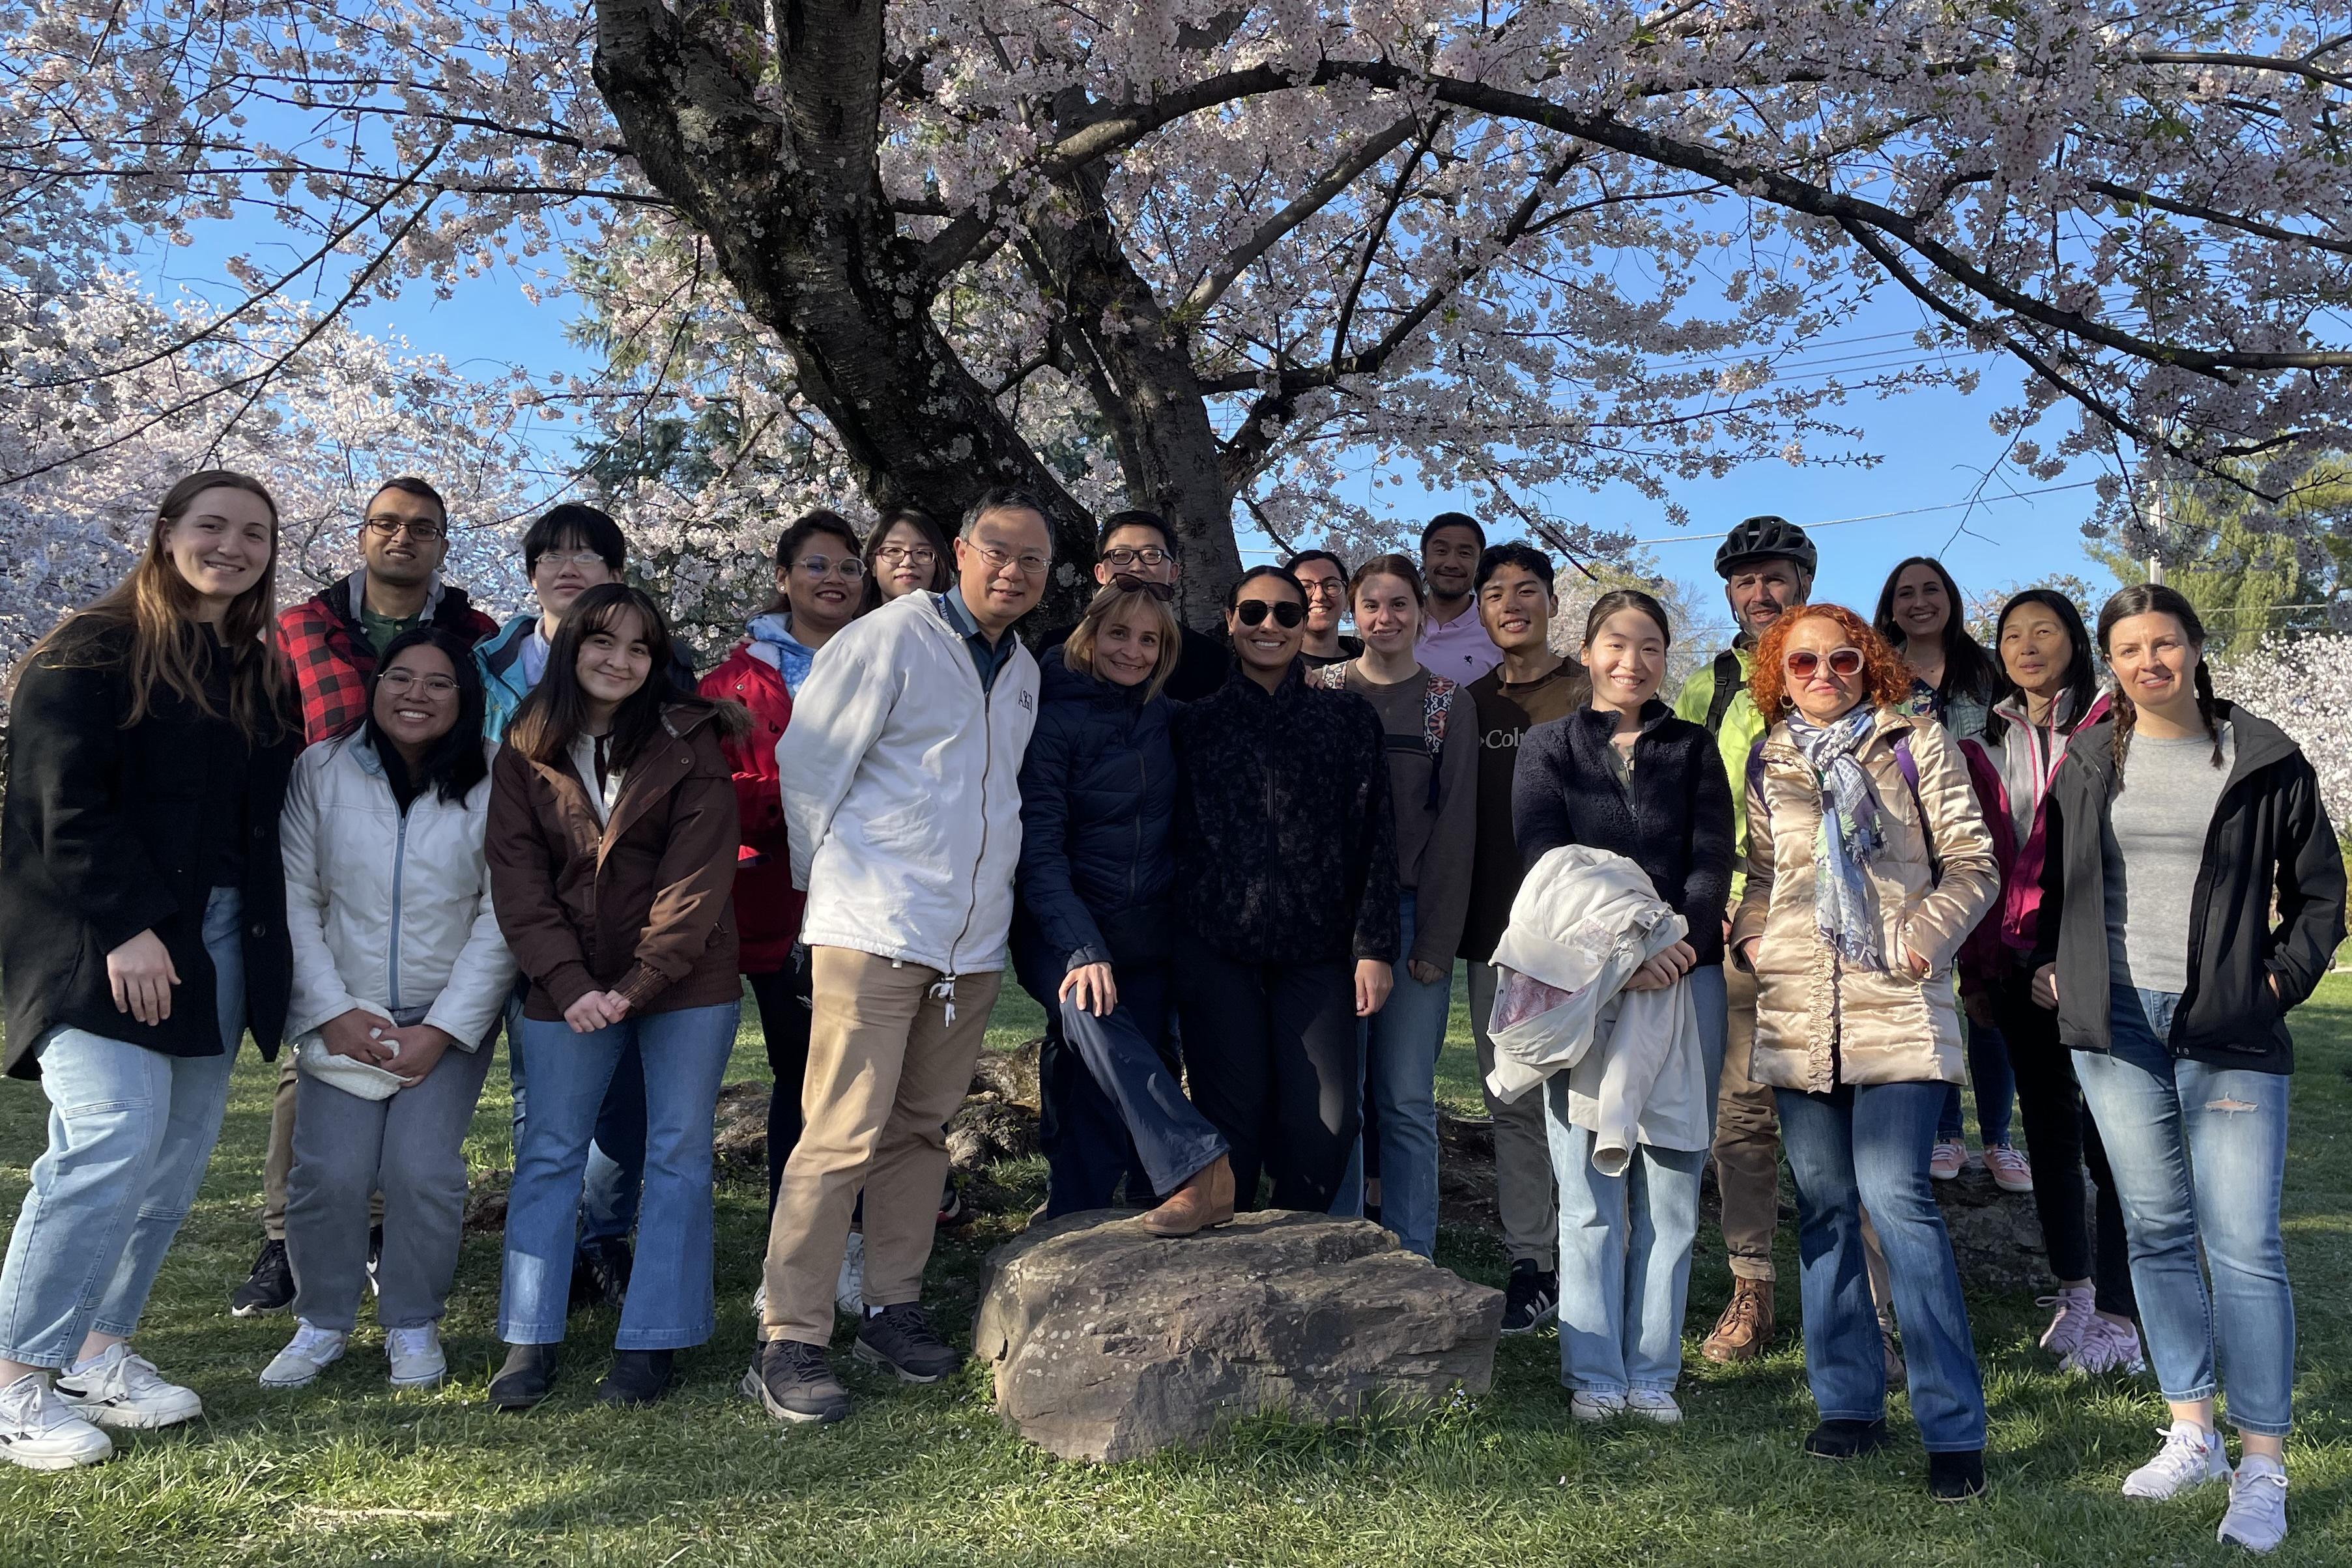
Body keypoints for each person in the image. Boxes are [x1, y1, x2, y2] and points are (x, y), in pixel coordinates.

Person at [2031, 584, 2344, 1554]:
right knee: (2158, 1233)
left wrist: (2274, 980)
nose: (2147, 660)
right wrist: (2058, 965)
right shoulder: (2088, 756)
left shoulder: (2261, 757)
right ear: (2111, 661)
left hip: (2228, 1025)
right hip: (2115, 1022)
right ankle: (2190, 1431)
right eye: (2127, 647)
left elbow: (2322, 891)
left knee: (2243, 1241)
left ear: (2194, 648)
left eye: (2163, 642)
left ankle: (2261, 1464)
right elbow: (2064, 877)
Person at [0, 471, 298, 1470]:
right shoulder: (91, 647)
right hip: (100, 938)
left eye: (254, 532)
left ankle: (96, 1348)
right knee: (107, 1140)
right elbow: (59, 800)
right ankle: (12, 1375)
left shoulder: (251, 669)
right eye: (212, 525)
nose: (233, 546)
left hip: (215, 942)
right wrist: (132, 927)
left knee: (169, 1162)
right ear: (165, 530)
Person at [751, 488, 1050, 1427]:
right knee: (837, 1130)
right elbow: (808, 766)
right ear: (958, 551)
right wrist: (830, 891)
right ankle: (791, 1335)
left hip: (968, 948)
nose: (1012, 569)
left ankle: (892, 1303)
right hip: (872, 928)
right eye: (996, 549)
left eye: (1032, 559)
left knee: (920, 1131)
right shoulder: (889, 637)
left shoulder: (1023, 668)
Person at [1730, 603, 1998, 1500]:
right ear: (1778, 670)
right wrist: (1750, 937)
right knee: (1824, 1206)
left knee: (1896, 1195)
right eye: (1800, 661)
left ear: (1868, 663)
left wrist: (1918, 938)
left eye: (1841, 657)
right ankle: (1846, 1402)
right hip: (1800, 1008)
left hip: (1895, 1006)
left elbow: (1973, 862)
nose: (1821, 674)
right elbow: (1762, 875)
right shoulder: (1768, 760)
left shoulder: (1914, 742)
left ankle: (1951, 1423)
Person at [237, 475, 498, 1319]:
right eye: (386, 523)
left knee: (419, 1149)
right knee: (314, 1123)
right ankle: (290, 1248)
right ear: (361, 535)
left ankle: (391, 1256)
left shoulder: (474, 636)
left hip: (435, 880)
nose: (402, 539)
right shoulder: (302, 629)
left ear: (441, 543)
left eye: (421, 527)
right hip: (327, 863)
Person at [484, 584, 745, 1411]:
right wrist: (570, 985)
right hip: (566, 983)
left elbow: (695, 882)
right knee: (550, 1152)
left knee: (676, 1153)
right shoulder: (524, 747)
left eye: (639, 648)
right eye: (603, 642)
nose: (620, 661)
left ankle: (652, 1339)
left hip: (684, 980)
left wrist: (634, 986)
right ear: (571, 647)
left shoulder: (690, 738)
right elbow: (519, 883)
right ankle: (529, 1337)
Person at [261, 628, 515, 1393]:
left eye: (439, 683)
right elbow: (297, 896)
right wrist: (331, 1011)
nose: (416, 694)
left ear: (465, 699)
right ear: (374, 687)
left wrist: (441, 1029)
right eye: (400, 677)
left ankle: (411, 1322)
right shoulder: (322, 769)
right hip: (346, 1005)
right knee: (329, 1171)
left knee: (421, 1169)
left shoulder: (497, 777)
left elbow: (500, 912)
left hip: (445, 1012)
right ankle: (324, 1321)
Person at [1510, 589, 1733, 1424]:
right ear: (1588, 647)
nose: (1630, 661)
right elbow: (1547, 861)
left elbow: (1712, 856)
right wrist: (1624, 954)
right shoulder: (1547, 747)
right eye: (1615, 643)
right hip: (1588, 982)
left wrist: (1676, 943)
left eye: (1648, 646)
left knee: (1671, 1184)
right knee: (1588, 1180)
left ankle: (1654, 1371)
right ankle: (1594, 1371)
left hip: (1685, 978)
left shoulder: (1694, 747)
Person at [476, 503, 682, 1313]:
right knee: (541, 1083)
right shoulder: (487, 663)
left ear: (615, 575)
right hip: (506, 898)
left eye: (588, 555)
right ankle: (551, 1242)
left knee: (622, 1088)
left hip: (621, 914)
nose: (568, 567)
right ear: (530, 573)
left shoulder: (655, 671)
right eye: (552, 555)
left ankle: (605, 1235)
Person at [1170, 567, 1399, 1223]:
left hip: (1318, 949)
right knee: (1231, 1114)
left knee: (1327, 1119)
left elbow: (1374, 838)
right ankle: (1228, 1253)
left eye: (1285, 614)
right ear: (1229, 620)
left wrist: (1374, 947)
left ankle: (1294, 1243)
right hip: (1217, 947)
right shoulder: (1195, 724)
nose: (1268, 625)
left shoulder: (1347, 720)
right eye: (1252, 612)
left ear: (1306, 624)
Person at [1956, 590, 2141, 1373]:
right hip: (2017, 963)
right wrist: (1986, 967)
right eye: (2011, 635)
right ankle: (2074, 1288)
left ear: (2075, 641)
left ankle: (2122, 1315)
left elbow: (2118, 861)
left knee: (2114, 1146)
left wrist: (2076, 955)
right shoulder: (1986, 741)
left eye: (2045, 632)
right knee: (2052, 1137)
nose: (2027, 646)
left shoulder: (2116, 730)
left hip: (2096, 961)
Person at [1014, 578, 1233, 1231]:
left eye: (1148, 640)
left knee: (1100, 1080)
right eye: (1118, 633)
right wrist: (1082, 950)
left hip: (1143, 927)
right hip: (1060, 927)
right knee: (1092, 1014)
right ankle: (1200, 1163)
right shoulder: (1050, 718)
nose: (1132, 652)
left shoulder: (1164, 717)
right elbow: (1040, 851)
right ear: (1089, 633)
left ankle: (1075, 1212)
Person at [1671, 513, 1814, 1363]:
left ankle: (1868, 1304)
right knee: (1740, 1114)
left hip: (1834, 926)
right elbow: (1684, 803)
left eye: (1774, 576)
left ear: (1804, 577)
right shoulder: (1707, 685)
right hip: (1735, 922)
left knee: (1841, 1111)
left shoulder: (1852, 666)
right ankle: (1750, 1289)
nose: (1759, 593)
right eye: (1743, 579)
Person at [699, 509, 865, 1212]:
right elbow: (714, 793)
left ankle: (863, 1236)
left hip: (873, 902)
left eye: (849, 566)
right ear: (781, 578)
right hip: (777, 906)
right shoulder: (733, 685)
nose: (834, 579)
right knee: (800, 1072)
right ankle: (793, 1237)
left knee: (860, 1078)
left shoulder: (890, 657)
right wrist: (796, 796)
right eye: (817, 565)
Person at [1312, 555, 1474, 1261]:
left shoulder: (1445, 702)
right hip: (1326, 927)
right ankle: (1337, 1244)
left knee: (1404, 1099)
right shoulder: (1318, 690)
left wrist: (1434, 943)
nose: (1385, 617)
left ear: (1418, 612)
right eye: (1371, 604)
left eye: (1399, 604)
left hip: (1411, 921)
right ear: (1353, 613)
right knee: (1335, 1101)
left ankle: (1414, 1255)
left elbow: (1455, 832)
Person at [1460, 542, 1588, 1333]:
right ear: (1479, 610)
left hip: (1578, 935)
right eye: (1496, 593)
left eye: (1528, 590)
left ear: (1549, 601)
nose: (1513, 604)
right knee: (1509, 1097)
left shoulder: (1589, 690)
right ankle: (1530, 1262)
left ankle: (1595, 1252)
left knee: (1585, 1098)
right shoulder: (1467, 703)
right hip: (1492, 932)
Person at [1874, 556, 2020, 1190]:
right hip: (1903, 857)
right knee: (1923, 991)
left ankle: (1998, 1137)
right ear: (1891, 604)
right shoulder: (1876, 673)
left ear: (1950, 597)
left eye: (1930, 589)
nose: (1918, 602)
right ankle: (1942, 1134)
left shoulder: (1987, 672)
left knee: (1987, 998)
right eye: (1905, 593)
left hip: (1980, 849)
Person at [1039, 510, 1231, 703]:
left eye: (1151, 555)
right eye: (1121, 555)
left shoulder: (1210, 659)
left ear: (1173, 572)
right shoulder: (1059, 647)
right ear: (1100, 573)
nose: (1137, 566)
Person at [1415, 513, 1503, 681]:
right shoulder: (1398, 621)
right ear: (1425, 557)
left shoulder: (1497, 629)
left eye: (1464, 553)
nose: (1451, 563)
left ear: (1479, 562)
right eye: (1441, 551)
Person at [861, 505, 953, 607]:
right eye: (894, 551)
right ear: (873, 565)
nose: (907, 562)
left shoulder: (957, 622)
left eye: (922, 552)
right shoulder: (855, 623)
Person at [1287, 549, 1363, 668]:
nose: (1319, 596)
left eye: (1331, 585)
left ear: (1347, 597)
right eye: (1306, 587)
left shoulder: (1374, 662)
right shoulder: (1273, 668)